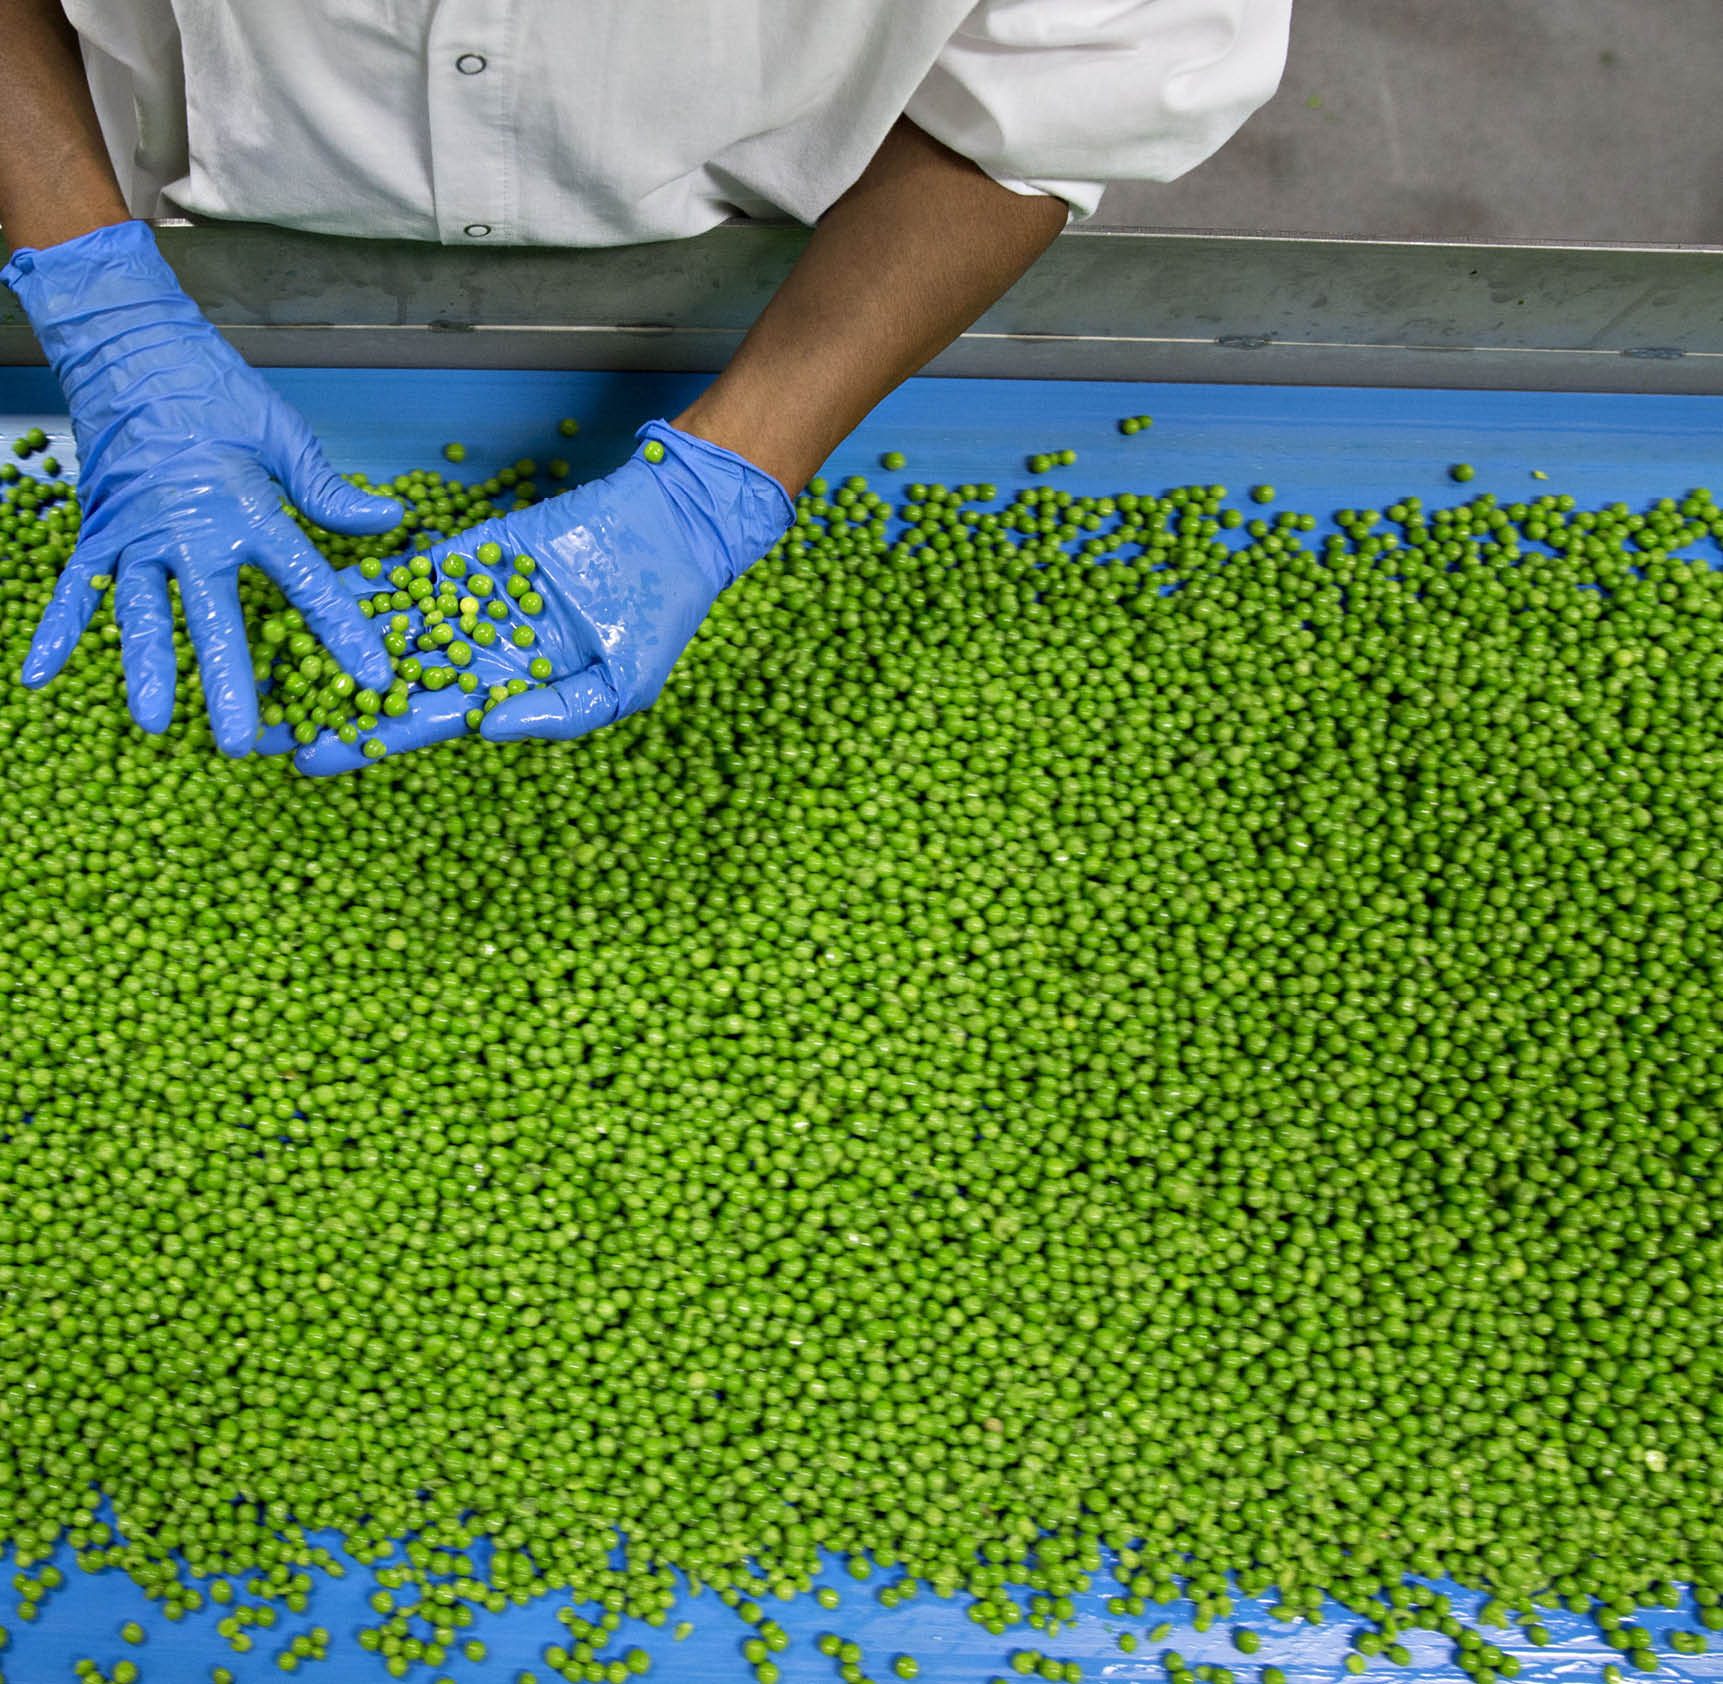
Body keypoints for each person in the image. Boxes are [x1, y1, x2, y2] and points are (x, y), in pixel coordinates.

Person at [0, 0, 1291, 773]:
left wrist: (738, 469)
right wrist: (94, 288)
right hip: (159, 188)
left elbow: (1095, 65)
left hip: (777, 232)